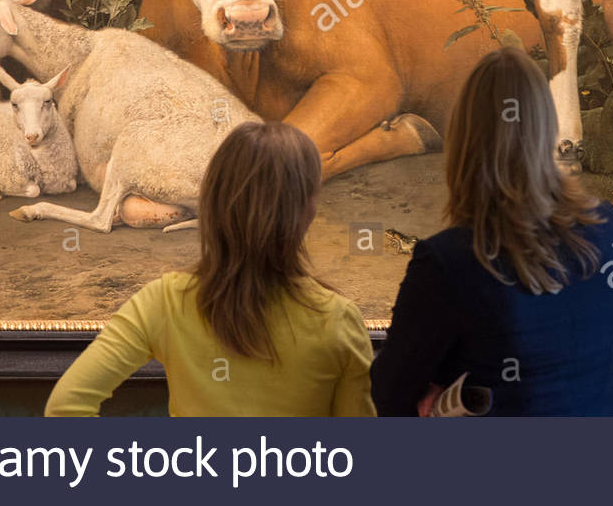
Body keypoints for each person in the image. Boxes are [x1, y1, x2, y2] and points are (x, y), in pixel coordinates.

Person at [371, 47, 613, 416]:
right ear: (546, 126)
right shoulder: (606, 225)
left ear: (465, 137)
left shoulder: (447, 261)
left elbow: (388, 395)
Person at [45, 121, 376, 416]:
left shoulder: (164, 301)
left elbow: (65, 406)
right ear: (307, 214)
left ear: (212, 202)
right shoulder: (338, 320)